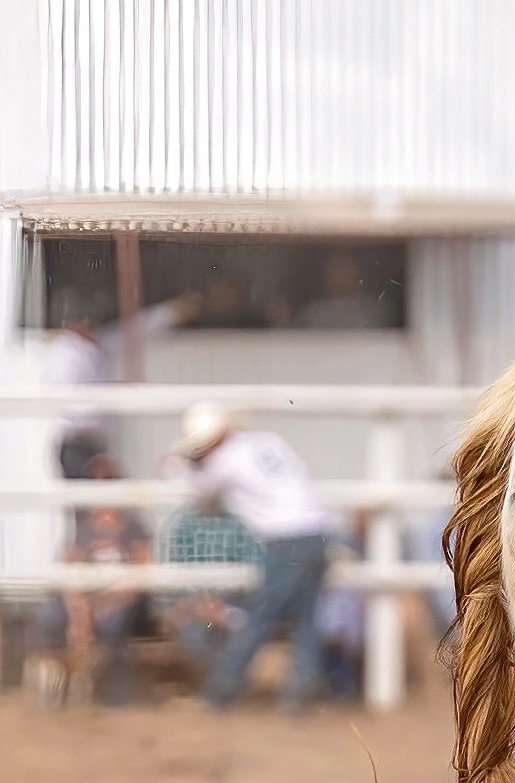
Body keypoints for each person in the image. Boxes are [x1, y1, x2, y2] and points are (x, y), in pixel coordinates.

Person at [169, 403, 332, 710]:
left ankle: (221, 692)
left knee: (260, 618)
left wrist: (182, 464)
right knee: (306, 619)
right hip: (317, 531)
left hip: (286, 540)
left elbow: (200, 491)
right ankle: (300, 695)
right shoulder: (266, 441)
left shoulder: (224, 461)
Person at [36, 453, 154, 706]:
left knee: (113, 622)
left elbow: (142, 575)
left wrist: (106, 604)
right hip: (86, 599)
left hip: (122, 600)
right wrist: (80, 614)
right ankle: (56, 688)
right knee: (50, 617)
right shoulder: (83, 530)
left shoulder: (135, 529)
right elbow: (70, 571)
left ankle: (118, 692)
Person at [42, 293, 202, 477]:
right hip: (76, 443)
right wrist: (114, 390)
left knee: (100, 498)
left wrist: (170, 312)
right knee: (90, 499)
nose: (91, 325)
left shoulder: (95, 344)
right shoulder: (64, 355)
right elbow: (72, 402)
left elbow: (133, 331)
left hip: (95, 443)